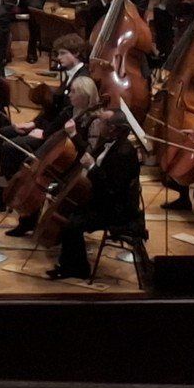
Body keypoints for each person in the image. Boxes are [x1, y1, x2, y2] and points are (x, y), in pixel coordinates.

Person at [46, 107, 144, 280]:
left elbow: (112, 188)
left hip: (116, 210)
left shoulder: (124, 152)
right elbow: (89, 157)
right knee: (69, 213)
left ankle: (78, 269)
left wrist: (92, 167)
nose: (97, 124)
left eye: (102, 122)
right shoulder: (109, 142)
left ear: (112, 128)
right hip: (104, 201)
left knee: (71, 224)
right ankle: (70, 264)